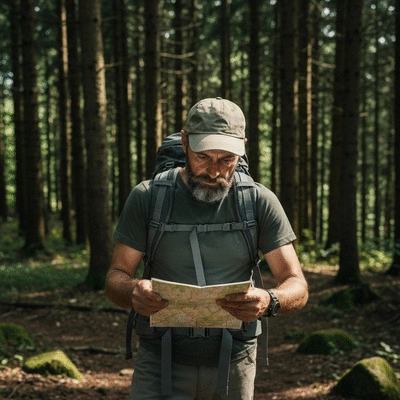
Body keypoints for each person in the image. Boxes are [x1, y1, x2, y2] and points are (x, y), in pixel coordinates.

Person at [105, 97, 308, 400]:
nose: (214, 172)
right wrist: (133, 291)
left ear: (242, 147)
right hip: (159, 360)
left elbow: (297, 283)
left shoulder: (259, 202)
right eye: (203, 157)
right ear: (185, 142)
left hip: (235, 362)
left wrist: (269, 300)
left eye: (226, 159)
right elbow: (116, 276)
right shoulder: (148, 198)